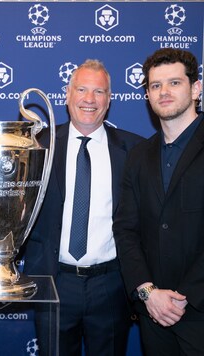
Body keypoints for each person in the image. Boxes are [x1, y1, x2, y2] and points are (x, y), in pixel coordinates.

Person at [0, 59, 144, 355]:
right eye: (81, 89)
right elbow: (9, 210)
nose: (89, 99)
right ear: (67, 94)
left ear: (110, 99)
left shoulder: (134, 150)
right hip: (54, 282)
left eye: (99, 92)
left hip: (111, 286)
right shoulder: (36, 147)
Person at [113, 48, 204, 355]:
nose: (163, 92)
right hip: (153, 313)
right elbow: (125, 229)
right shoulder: (139, 155)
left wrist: (185, 297)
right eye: (155, 85)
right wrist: (148, 292)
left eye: (174, 83)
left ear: (196, 88)